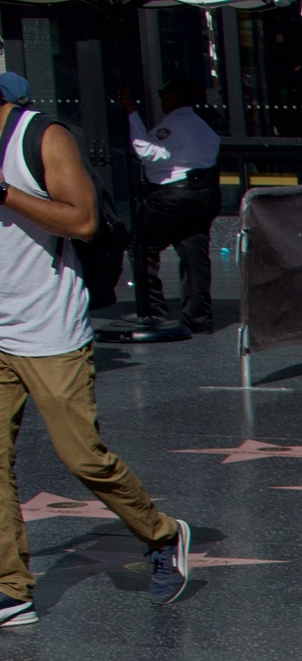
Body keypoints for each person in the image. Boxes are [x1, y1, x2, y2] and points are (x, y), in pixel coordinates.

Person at [0, 71, 195, 630]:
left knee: (81, 455)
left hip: (47, 327)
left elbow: (83, 220)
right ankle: (11, 587)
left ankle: (161, 533)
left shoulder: (40, 137)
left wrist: (5, 192)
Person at [123, 80, 221, 334]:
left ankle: (152, 310)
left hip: (172, 198)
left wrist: (132, 114)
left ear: (175, 97)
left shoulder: (173, 125)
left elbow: (148, 152)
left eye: (163, 94)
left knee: (140, 247)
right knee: (193, 253)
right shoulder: (202, 126)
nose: (161, 100)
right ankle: (199, 317)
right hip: (205, 195)